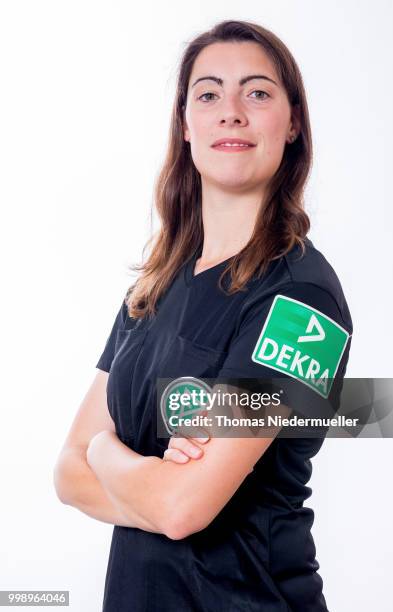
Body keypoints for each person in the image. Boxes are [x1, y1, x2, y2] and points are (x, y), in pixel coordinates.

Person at [53, 19, 353, 612]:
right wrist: (143, 479)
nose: (231, 112)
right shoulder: (155, 285)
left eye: (258, 92)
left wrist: (105, 453)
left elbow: (182, 507)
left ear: (292, 123)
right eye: (208, 94)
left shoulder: (302, 305)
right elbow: (66, 473)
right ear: (185, 126)